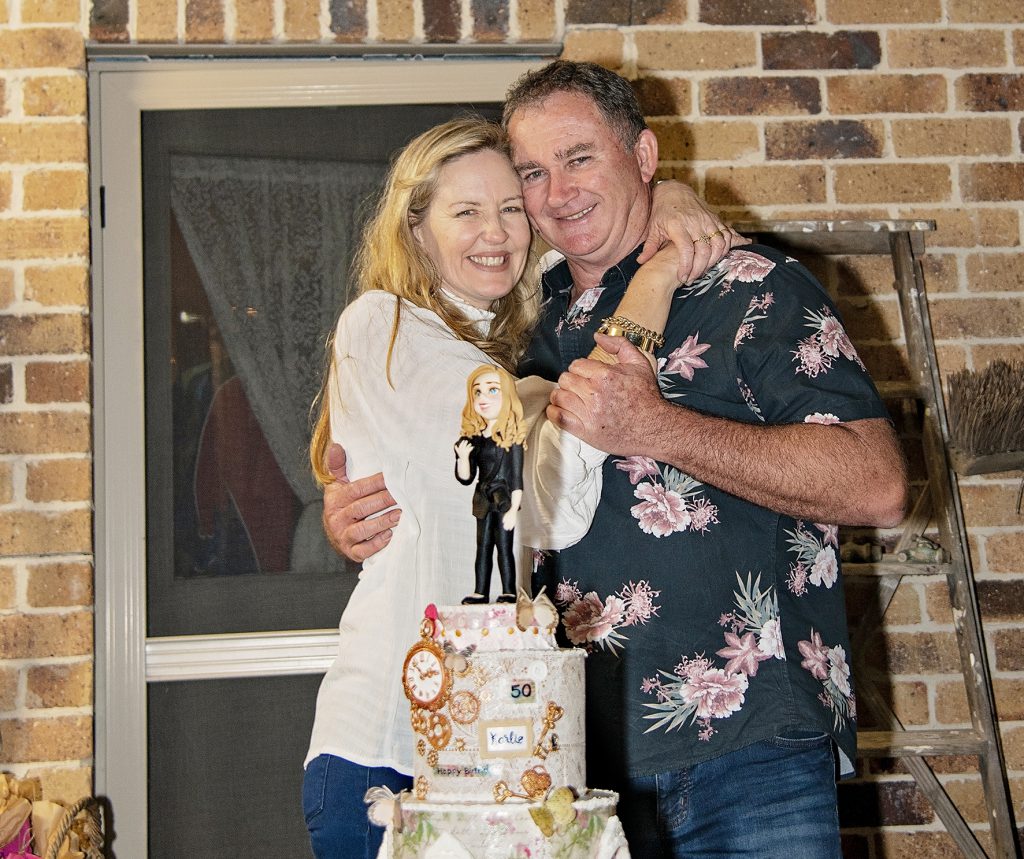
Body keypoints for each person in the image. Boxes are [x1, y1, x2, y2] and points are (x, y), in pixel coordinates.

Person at [323, 61, 910, 858]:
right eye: (533, 173)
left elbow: (878, 483)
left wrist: (660, 428)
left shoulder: (754, 288)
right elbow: (460, 488)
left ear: (644, 155)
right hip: (566, 768)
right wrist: (361, 512)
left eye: (580, 158)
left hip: (750, 749)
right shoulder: (522, 327)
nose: (558, 191)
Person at [302, 116, 738, 859]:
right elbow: (528, 487)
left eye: (511, 207)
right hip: (393, 752)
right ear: (415, 229)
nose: (495, 232)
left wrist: (665, 194)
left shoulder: (501, 354)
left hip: (498, 748)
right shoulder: (384, 324)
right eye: (465, 211)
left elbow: (553, 509)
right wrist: (656, 278)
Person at [454, 364, 527, 604]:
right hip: (483, 499)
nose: (483, 397)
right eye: (478, 392)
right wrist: (463, 458)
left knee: (504, 547)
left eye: (492, 390)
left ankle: (508, 591)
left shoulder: (513, 438)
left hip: (503, 499)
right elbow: (466, 477)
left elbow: (516, 479)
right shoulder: (474, 439)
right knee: (482, 546)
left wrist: (514, 509)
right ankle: (480, 591)